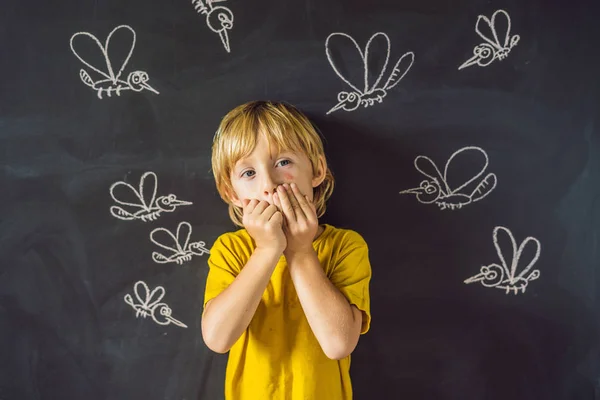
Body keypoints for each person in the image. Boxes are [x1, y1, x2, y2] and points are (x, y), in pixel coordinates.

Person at [201, 100, 372, 399]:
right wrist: (267, 250)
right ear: (232, 194)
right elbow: (217, 339)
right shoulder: (231, 249)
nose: (269, 184)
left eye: (283, 162)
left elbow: (338, 345)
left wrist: (301, 251)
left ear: (317, 170)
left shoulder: (345, 246)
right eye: (249, 173)